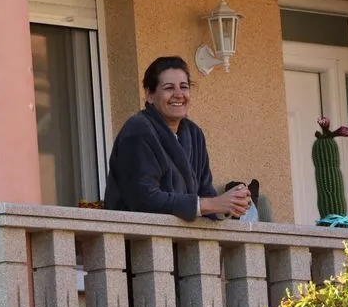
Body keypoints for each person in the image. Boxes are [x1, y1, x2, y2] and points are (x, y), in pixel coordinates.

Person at [103, 56, 252, 220]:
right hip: (140, 241)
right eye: (169, 88)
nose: (179, 94)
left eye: (184, 87)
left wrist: (231, 204)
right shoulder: (137, 130)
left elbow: (205, 192)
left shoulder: (195, 134)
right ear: (150, 95)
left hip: (184, 243)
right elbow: (144, 199)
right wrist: (211, 205)